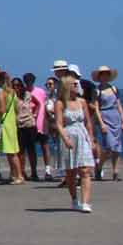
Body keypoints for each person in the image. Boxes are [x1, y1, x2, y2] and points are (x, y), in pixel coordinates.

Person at [51, 71, 100, 212]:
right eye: (74, 84)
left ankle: (85, 202)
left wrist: (91, 138)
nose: (77, 86)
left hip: (82, 134)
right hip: (69, 135)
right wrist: (65, 138)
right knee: (71, 172)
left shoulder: (82, 101)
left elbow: (88, 122)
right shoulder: (60, 103)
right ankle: (74, 199)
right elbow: (59, 123)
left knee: (85, 170)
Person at [90, 66, 123, 181]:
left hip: (115, 117)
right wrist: (101, 124)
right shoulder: (97, 90)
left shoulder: (114, 89)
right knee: (109, 147)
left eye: (106, 74)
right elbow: (96, 108)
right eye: (102, 74)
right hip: (104, 117)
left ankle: (116, 172)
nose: (104, 76)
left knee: (117, 147)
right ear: (99, 77)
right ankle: (99, 166)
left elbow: (119, 105)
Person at [17, 72, 46, 181]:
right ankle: (22, 171)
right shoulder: (15, 95)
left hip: (30, 124)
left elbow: (39, 103)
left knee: (31, 149)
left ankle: (34, 172)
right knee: (21, 150)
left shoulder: (28, 93)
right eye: (27, 80)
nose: (28, 82)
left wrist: (34, 114)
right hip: (19, 124)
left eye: (30, 80)